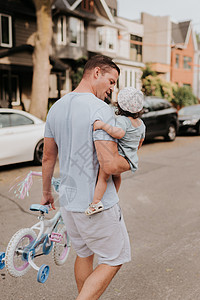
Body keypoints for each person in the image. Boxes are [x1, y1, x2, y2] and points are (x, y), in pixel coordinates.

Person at [41, 55, 131, 300]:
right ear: (97, 73)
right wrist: (131, 162)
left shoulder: (56, 108)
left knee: (84, 254)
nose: (112, 88)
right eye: (111, 81)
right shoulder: (101, 109)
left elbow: (48, 157)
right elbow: (110, 164)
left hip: (68, 203)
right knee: (115, 257)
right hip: (96, 204)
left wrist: (46, 193)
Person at [85, 87, 146, 216]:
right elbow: (140, 142)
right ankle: (114, 196)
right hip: (130, 161)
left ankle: (95, 202)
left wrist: (102, 125)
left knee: (103, 174)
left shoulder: (123, 121)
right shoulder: (141, 124)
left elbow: (118, 133)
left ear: (120, 106)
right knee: (117, 175)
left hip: (120, 158)